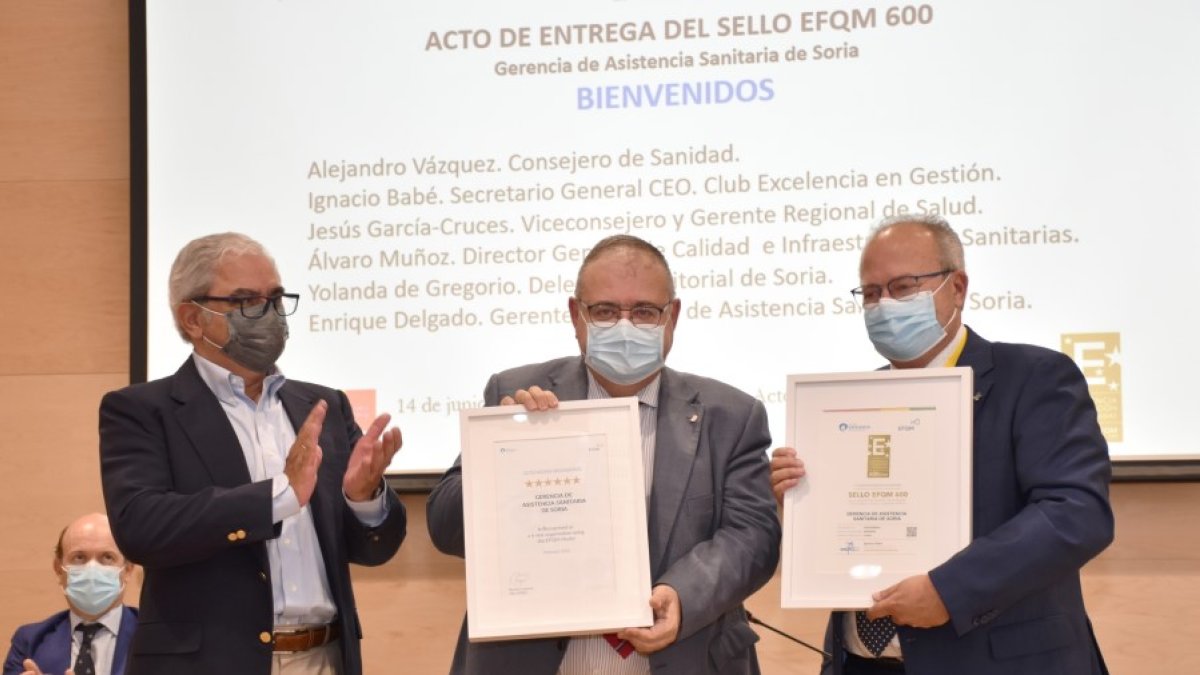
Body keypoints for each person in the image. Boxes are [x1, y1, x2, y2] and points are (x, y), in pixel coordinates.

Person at [771, 215, 1114, 674]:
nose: (884, 305)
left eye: (904, 287)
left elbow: (1077, 512)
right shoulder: (847, 407)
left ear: (957, 287)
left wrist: (950, 590)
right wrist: (802, 500)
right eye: (871, 294)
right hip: (861, 663)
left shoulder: (1033, 378)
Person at [428, 234, 781, 674]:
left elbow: (754, 539)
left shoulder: (732, 416)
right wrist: (501, 454)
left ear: (672, 317)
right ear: (577, 316)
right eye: (606, 311)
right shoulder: (514, 393)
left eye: (645, 312)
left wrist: (683, 598)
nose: (625, 326)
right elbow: (444, 528)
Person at [99, 232, 407, 675]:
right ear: (193, 319)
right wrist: (278, 496)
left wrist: (364, 498)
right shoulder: (142, 411)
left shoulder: (323, 406)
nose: (268, 314)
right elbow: (142, 527)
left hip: (326, 657)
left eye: (276, 298)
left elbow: (374, 551)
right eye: (245, 301)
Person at [4, 513, 138, 675]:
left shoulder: (158, 637)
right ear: (58, 569)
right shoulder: (29, 641)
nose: (92, 569)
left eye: (107, 557)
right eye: (79, 557)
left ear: (128, 570)